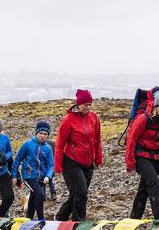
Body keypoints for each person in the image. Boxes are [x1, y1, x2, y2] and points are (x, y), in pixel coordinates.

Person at [125, 89, 159, 220]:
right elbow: (131, 141)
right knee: (154, 183)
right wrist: (130, 164)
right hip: (141, 157)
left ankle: (134, 219)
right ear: (155, 106)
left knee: (144, 189)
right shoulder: (143, 119)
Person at [54, 89, 103, 222]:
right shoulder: (68, 120)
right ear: (78, 103)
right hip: (71, 162)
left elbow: (97, 139)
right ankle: (78, 223)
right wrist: (58, 165)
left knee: (77, 194)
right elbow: (60, 143)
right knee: (81, 193)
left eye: (89, 105)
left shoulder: (94, 117)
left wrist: (98, 158)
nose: (87, 108)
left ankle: (61, 217)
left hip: (88, 162)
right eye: (85, 105)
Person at [12, 122, 55, 220]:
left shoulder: (48, 148)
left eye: (45, 134)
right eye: (41, 133)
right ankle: (41, 220)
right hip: (29, 176)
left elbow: (51, 165)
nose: (43, 136)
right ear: (36, 133)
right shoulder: (28, 144)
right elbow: (17, 159)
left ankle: (29, 219)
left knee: (33, 197)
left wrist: (48, 176)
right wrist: (14, 175)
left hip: (42, 178)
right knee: (40, 195)